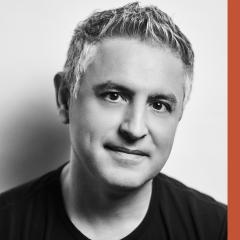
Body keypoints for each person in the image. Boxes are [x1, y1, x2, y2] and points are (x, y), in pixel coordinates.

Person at [0, 2, 226, 239]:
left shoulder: (219, 230)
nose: (135, 128)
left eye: (159, 105)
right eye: (114, 96)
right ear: (65, 98)